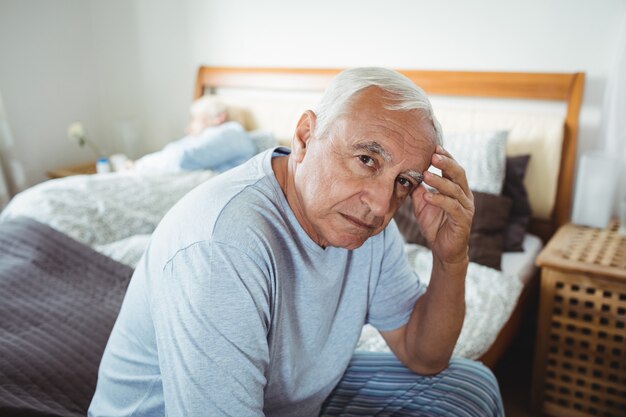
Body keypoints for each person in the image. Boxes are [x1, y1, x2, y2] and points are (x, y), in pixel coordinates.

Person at [89, 67, 504, 416]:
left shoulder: (371, 230)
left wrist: (451, 258)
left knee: (471, 385)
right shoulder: (224, 244)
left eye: (403, 182)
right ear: (305, 137)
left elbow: (424, 355)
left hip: (284, 397)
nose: (380, 205)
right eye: (366, 160)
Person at [132, 96, 258, 173]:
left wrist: (140, 164)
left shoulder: (231, 133)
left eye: (194, 119)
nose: (188, 129)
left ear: (219, 117)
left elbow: (182, 159)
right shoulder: (211, 136)